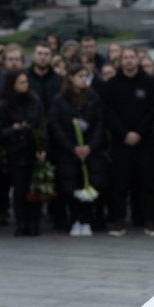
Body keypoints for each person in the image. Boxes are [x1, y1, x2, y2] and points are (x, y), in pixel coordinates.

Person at [99, 45, 154, 235]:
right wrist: (124, 133)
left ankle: (149, 220)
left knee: (147, 182)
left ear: (137, 59)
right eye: (125, 57)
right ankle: (119, 220)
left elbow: (152, 111)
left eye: (132, 57)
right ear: (120, 61)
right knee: (119, 183)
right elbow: (108, 112)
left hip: (144, 141)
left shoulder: (148, 82)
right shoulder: (112, 84)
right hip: (120, 141)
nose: (129, 60)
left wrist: (138, 132)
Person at [0, 68, 46, 238]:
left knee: (34, 188)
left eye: (26, 82)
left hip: (33, 149)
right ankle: (22, 223)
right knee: (20, 189)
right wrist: (13, 129)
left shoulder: (34, 101)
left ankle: (34, 222)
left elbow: (41, 124)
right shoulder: (4, 104)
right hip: (15, 151)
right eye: (21, 82)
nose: (25, 85)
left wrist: (42, 147)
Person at [52, 65, 105, 238]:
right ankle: (74, 219)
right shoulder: (60, 100)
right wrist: (72, 147)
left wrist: (90, 146)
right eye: (80, 75)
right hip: (69, 151)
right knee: (71, 186)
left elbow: (99, 124)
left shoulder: (93, 98)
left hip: (89, 149)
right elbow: (56, 125)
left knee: (88, 185)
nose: (83, 79)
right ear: (71, 78)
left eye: (85, 75)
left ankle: (87, 220)